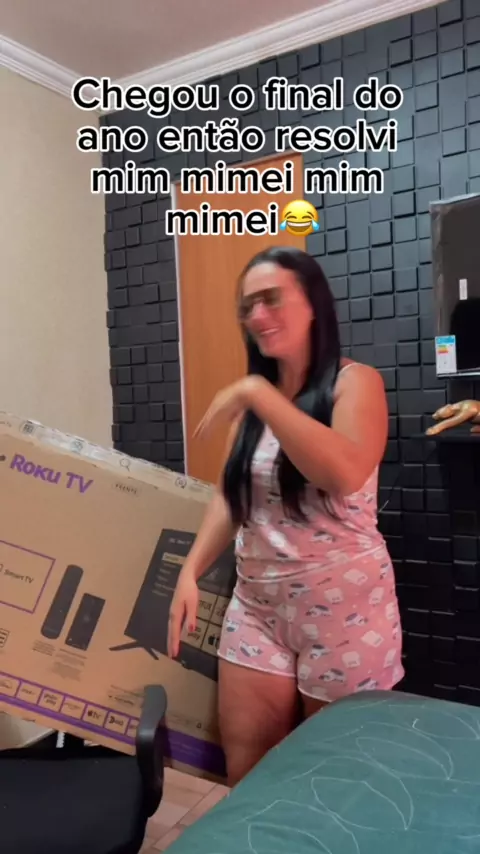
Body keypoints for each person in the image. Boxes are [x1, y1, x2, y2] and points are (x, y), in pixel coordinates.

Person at [167, 246, 404, 787]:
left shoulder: (355, 383)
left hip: (345, 613)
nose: (257, 316)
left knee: (339, 779)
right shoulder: (255, 404)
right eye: (247, 306)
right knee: (248, 774)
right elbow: (232, 497)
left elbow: (342, 471)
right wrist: (190, 570)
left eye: (271, 299)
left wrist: (258, 394)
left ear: (313, 303)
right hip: (258, 608)